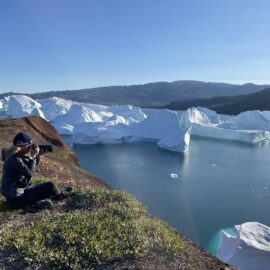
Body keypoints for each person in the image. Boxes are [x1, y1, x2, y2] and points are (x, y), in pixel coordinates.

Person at [1, 132, 66, 207]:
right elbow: (29, 173)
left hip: (16, 194)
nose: (31, 147)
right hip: (17, 198)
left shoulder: (14, 156)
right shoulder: (14, 159)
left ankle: (58, 197)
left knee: (49, 188)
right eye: (29, 144)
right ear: (23, 146)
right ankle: (62, 200)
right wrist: (34, 156)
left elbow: (28, 168)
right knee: (51, 186)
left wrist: (37, 156)